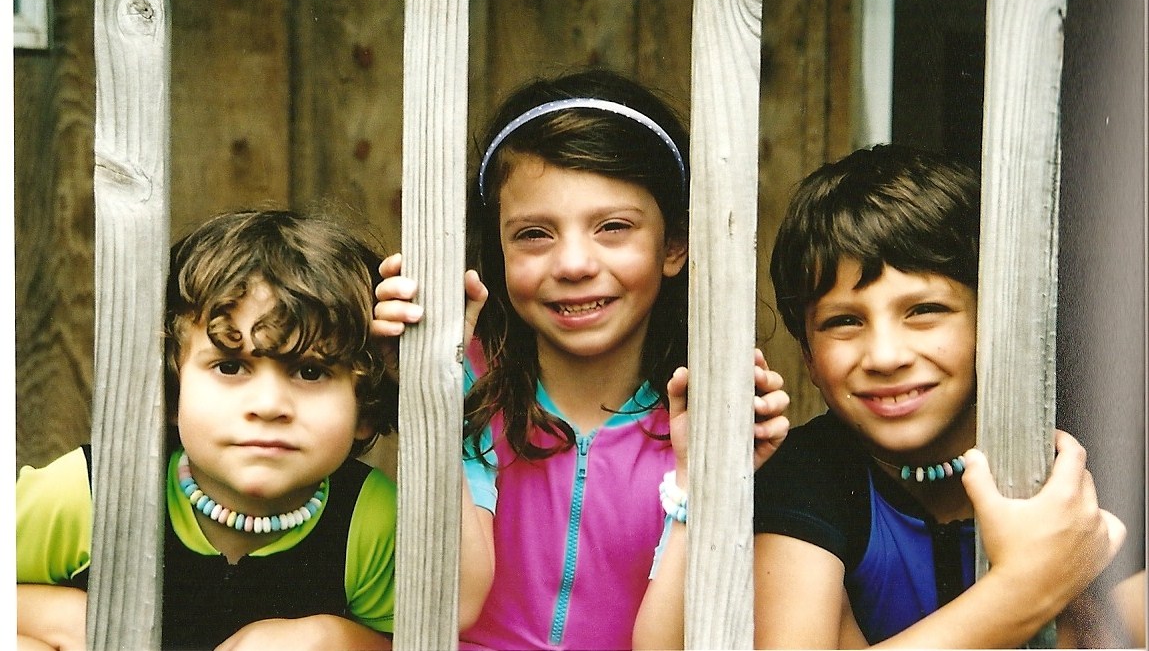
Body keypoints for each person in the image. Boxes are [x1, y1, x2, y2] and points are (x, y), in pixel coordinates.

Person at [372, 68, 791, 650]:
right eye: (534, 234)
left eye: (613, 228)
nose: (573, 264)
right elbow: (456, 603)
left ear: (674, 244)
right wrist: (431, 393)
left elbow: (665, 647)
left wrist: (702, 482)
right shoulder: (470, 383)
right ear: (498, 249)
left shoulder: (705, 414)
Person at [752, 143, 1128, 648]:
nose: (885, 356)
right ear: (808, 356)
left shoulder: (1065, 468)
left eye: (924, 311)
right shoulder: (804, 475)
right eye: (844, 321)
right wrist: (1026, 589)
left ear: (992, 322)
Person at [17, 209, 400, 651]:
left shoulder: (371, 521)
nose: (268, 405)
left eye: (310, 372)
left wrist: (331, 639)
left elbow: (433, 633)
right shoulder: (89, 492)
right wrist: (61, 617)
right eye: (230, 366)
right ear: (171, 389)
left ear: (365, 407)